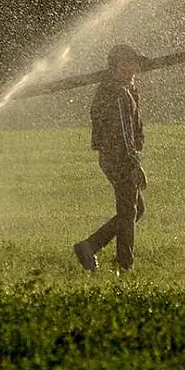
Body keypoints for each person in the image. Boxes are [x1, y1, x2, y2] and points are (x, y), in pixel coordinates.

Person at [74, 44, 148, 273]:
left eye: (133, 63)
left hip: (112, 157)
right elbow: (124, 133)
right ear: (115, 66)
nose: (132, 68)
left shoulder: (116, 89)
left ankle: (90, 246)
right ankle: (124, 265)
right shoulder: (117, 94)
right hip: (120, 159)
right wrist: (134, 164)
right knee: (128, 213)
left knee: (135, 210)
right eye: (126, 64)